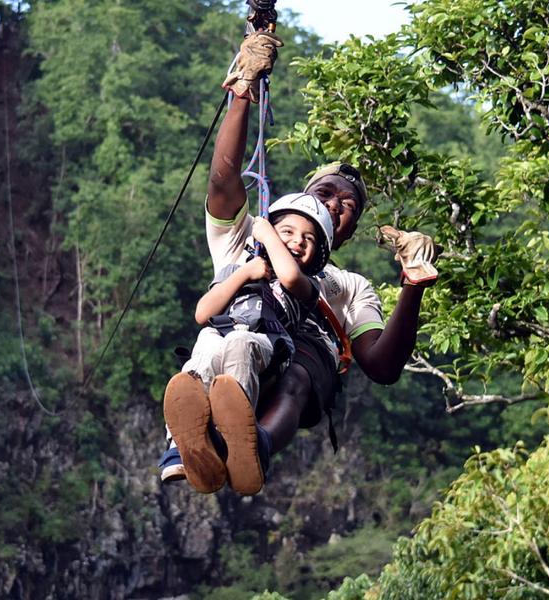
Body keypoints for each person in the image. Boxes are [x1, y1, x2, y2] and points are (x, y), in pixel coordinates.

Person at [159, 31, 439, 492]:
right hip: (241, 333)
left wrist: (412, 284)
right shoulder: (250, 239)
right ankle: (197, 447)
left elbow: (382, 366)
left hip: (297, 360)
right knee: (216, 351)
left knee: (302, 368)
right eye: (325, 193)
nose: (335, 203)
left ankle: (254, 447)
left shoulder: (348, 287)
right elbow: (224, 178)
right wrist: (242, 93)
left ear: (341, 234)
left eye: (347, 205)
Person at [162, 193, 334, 496]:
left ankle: (233, 436)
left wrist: (269, 233)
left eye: (309, 239)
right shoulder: (238, 270)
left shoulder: (308, 288)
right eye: (289, 232)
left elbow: (290, 276)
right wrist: (244, 272)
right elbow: (204, 313)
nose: (298, 242)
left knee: (240, 342)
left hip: (266, 343)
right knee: (204, 350)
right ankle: (182, 446)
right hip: (219, 334)